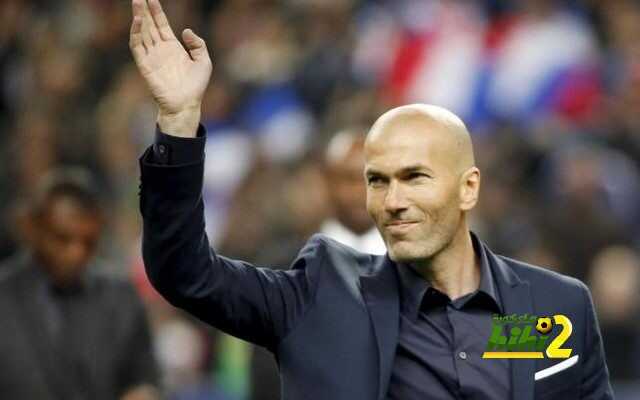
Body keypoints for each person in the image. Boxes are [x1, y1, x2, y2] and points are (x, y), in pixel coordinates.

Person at [130, 0, 613, 398]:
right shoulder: (319, 295)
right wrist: (179, 119)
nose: (392, 200)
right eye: (378, 181)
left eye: (414, 177)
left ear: (469, 187)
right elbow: (184, 272)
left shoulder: (558, 308)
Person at [0, 168, 160, 400]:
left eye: (88, 242)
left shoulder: (121, 296)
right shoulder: (4, 296)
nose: (76, 253)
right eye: (62, 238)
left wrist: (144, 392)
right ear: (33, 228)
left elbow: (146, 376)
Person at [320, 127, 386, 255]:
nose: (361, 191)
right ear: (328, 181)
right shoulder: (290, 264)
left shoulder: (416, 264)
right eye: (350, 178)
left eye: (373, 179)